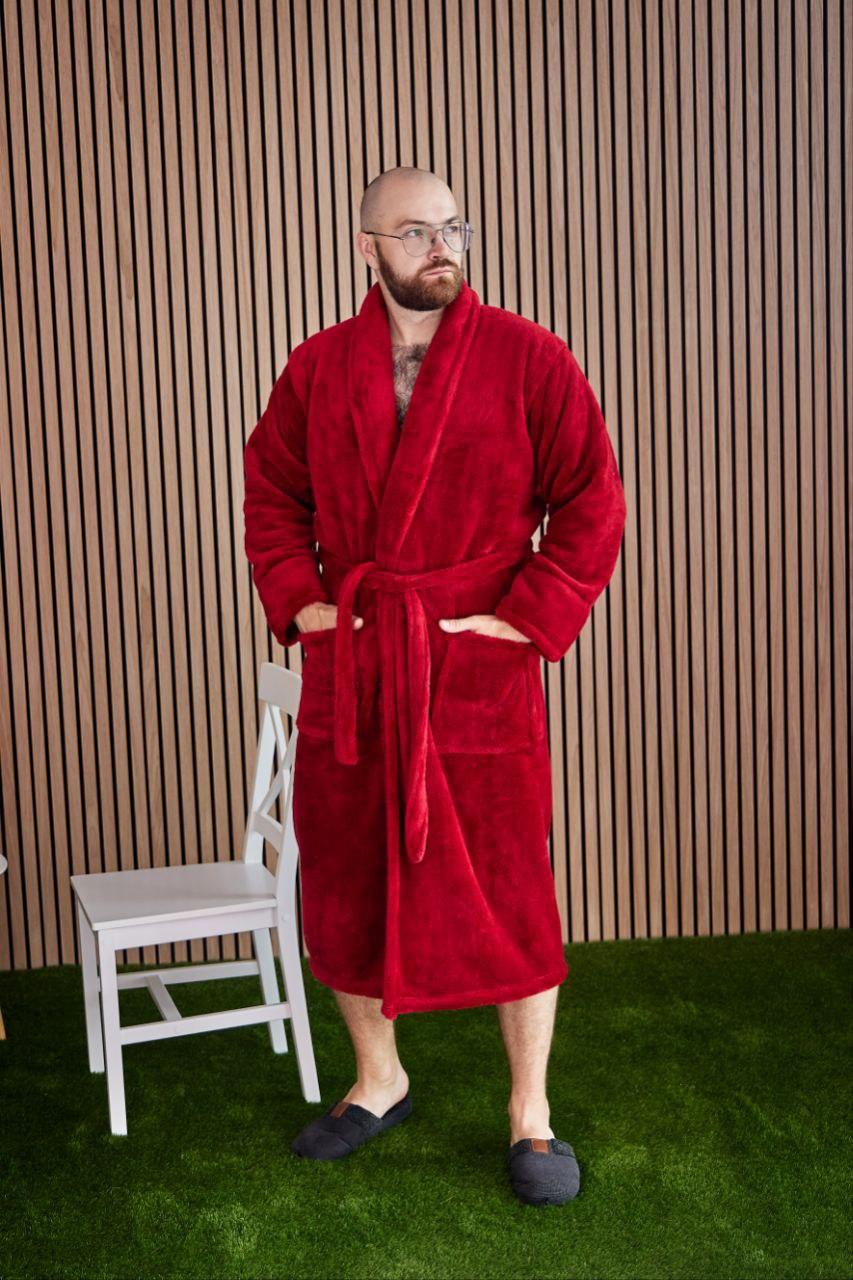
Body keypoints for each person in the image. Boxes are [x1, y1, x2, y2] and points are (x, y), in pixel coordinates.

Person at [243, 166, 627, 1205]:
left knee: (510, 886)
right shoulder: (318, 367)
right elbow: (271, 490)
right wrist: (301, 600)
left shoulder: (528, 357)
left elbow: (592, 498)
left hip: (473, 663)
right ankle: (380, 1078)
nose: (440, 245)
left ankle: (529, 1112)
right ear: (366, 247)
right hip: (361, 659)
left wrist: (525, 619)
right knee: (346, 879)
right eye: (413, 231)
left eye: (452, 226)